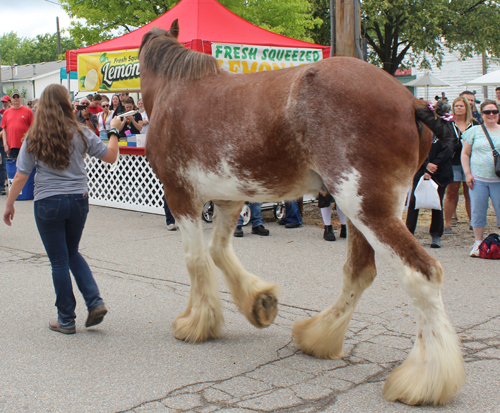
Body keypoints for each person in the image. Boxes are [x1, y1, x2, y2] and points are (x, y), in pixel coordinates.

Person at [2, 84, 120, 334]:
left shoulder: (35, 136)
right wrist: (114, 132)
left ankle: (66, 319)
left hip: (48, 202)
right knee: (72, 252)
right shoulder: (81, 131)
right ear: (67, 104)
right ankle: (94, 301)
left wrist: (9, 204)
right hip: (78, 199)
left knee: (59, 260)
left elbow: (22, 176)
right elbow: (110, 156)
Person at [462, 99, 500, 257]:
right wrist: (468, 173)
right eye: (487, 112)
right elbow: (465, 153)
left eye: (494, 112)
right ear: (482, 114)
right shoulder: (474, 131)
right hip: (478, 179)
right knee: (478, 210)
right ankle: (478, 243)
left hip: (498, 179)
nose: (491, 115)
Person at [406, 135, 453, 248]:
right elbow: (414, 148)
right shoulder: (420, 128)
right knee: (413, 202)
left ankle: (436, 235)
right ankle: (408, 234)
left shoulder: (445, 129)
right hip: (421, 168)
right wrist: (426, 164)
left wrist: (433, 167)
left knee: (436, 203)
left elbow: (448, 150)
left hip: (441, 170)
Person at [443, 96, 479, 234]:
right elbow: (446, 143)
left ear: (467, 108)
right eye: (456, 105)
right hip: (453, 162)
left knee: (470, 193)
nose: (458, 108)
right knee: (451, 193)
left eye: (461, 106)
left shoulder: (474, 124)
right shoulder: (448, 123)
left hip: (472, 163)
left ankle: (473, 222)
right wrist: (461, 146)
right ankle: (447, 223)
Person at [1, 90, 34, 159]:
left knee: (25, 168)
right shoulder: (6, 112)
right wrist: (5, 144)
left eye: (17, 97)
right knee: (12, 168)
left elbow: (33, 128)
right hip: (11, 146)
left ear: (20, 98)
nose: (16, 98)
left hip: (25, 145)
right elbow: (4, 130)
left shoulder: (28, 111)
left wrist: (31, 143)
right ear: (11, 100)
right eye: (14, 97)